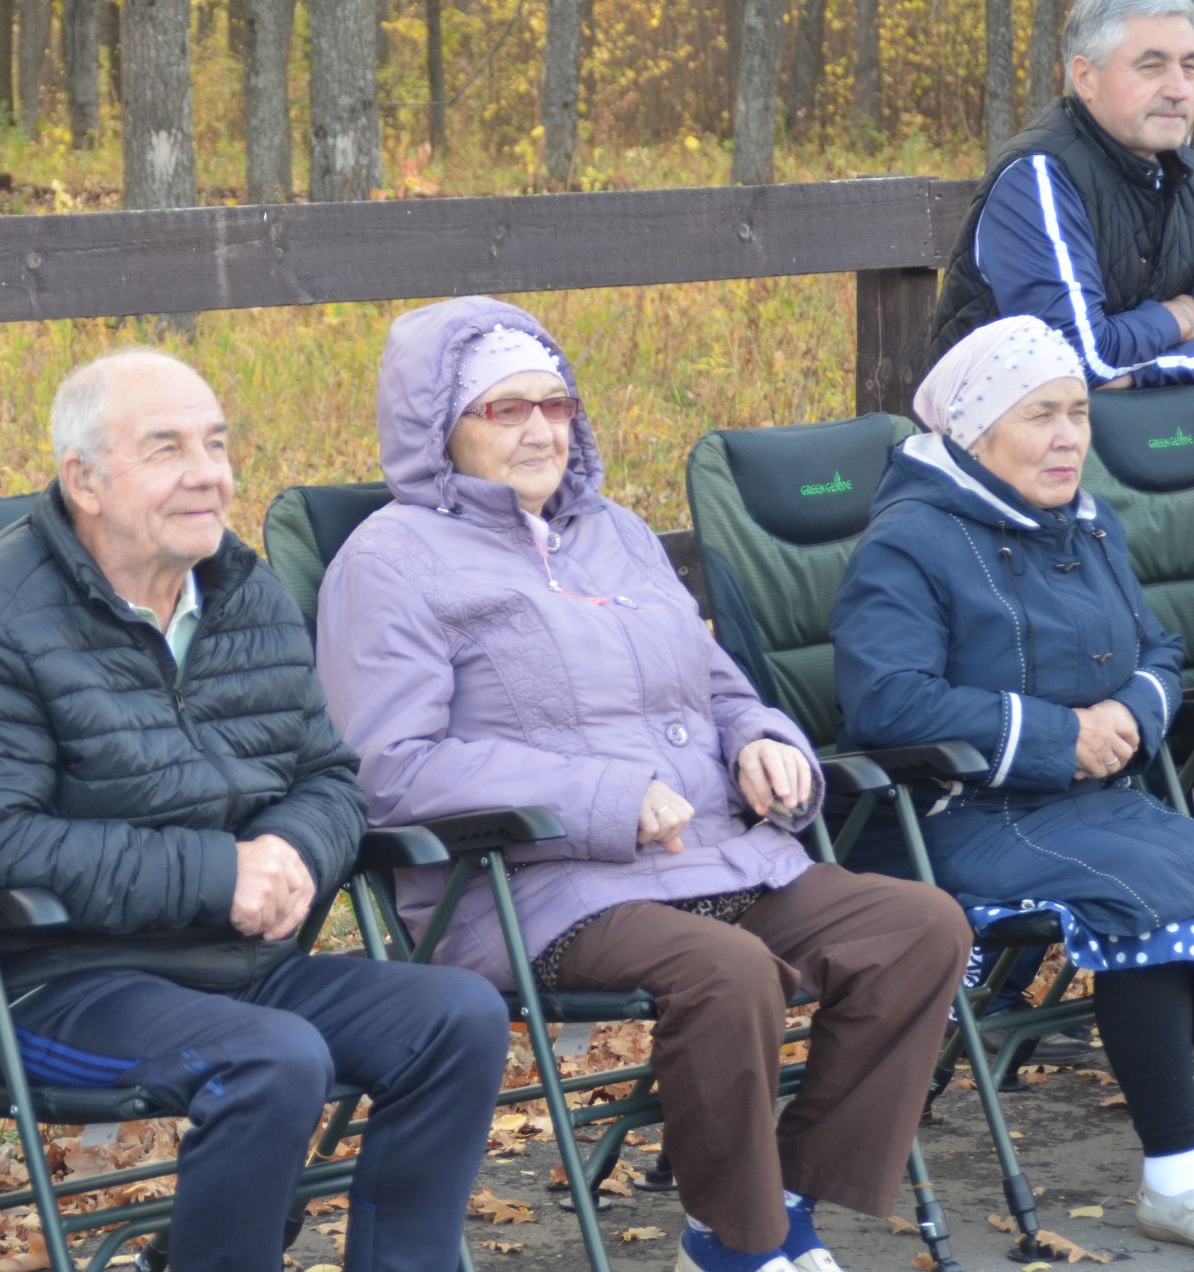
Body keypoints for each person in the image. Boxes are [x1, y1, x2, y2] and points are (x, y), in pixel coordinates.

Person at [314, 296, 970, 1272]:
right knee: (727, 970)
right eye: (505, 409)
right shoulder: (390, 564)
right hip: (529, 885)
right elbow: (391, 769)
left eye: (557, 403)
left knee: (920, 929)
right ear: (435, 425)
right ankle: (735, 1246)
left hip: (710, 855)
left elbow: (712, 681)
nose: (541, 428)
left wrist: (761, 738)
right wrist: (603, 799)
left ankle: (776, 1193)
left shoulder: (612, 531)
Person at [0, 348, 510, 1272]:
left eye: (217, 444)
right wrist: (221, 874)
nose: (208, 473)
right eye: (169, 448)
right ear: (85, 482)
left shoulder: (241, 594)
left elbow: (330, 776)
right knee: (273, 1059)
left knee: (456, 1016)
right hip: (45, 985)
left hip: (236, 968)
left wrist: (294, 850)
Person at [833, 315, 1194, 1247]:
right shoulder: (909, 543)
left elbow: (1159, 646)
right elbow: (890, 705)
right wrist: (1055, 736)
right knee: (1148, 900)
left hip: (1091, 800)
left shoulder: (1086, 518)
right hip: (953, 813)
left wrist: (1129, 717)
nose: (1070, 435)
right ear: (977, 432)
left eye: (1077, 411)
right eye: (1041, 415)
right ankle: (1175, 1177)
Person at [929, 0, 1194, 384]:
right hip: (1006, 437)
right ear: (1085, 78)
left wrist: (1132, 372)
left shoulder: (1180, 170)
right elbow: (1075, 364)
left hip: (1148, 433)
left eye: (1189, 67)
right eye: (1151, 66)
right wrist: (1179, 317)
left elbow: (1096, 366)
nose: (1178, 89)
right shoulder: (1039, 178)